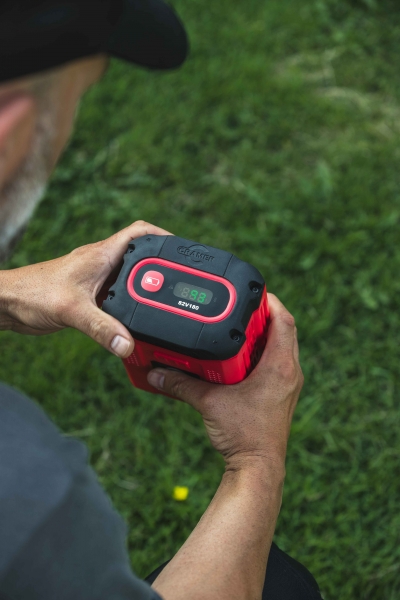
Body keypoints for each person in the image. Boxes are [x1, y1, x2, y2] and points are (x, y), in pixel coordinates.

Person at [0, 1, 322, 599]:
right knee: (281, 586)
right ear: (8, 129)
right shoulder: (31, 495)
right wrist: (255, 464)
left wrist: (9, 292)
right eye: (76, 99)